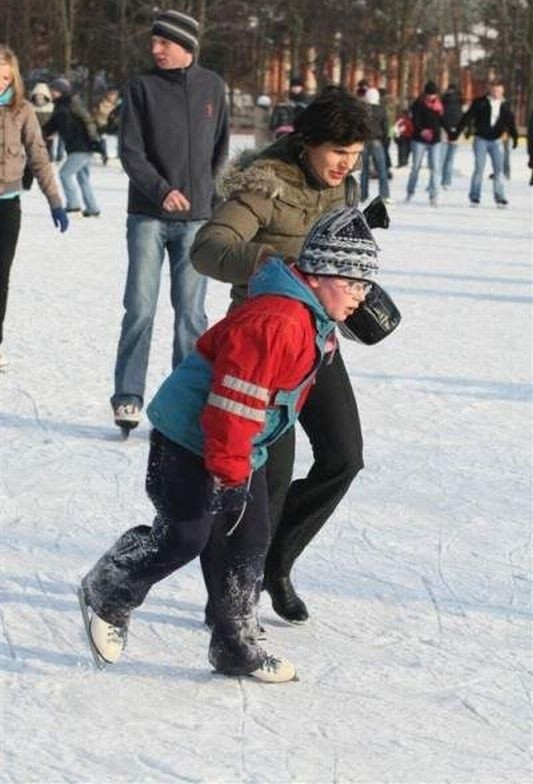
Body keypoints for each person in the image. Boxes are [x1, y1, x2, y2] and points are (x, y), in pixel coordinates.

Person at [78, 205, 380, 682]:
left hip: (238, 447)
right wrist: (232, 473)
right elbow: (231, 408)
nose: (361, 298)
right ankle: (110, 587)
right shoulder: (277, 323)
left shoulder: (312, 318)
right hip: (189, 440)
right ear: (319, 275)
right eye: (353, 284)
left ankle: (235, 646)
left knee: (249, 541)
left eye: (367, 286)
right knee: (185, 535)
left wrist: (339, 320)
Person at [191, 87, 372, 624]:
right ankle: (231, 591)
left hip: (318, 343)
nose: (346, 164)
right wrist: (283, 263)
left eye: (356, 154)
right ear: (309, 141)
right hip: (266, 341)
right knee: (268, 475)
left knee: (344, 457)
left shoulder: (346, 190)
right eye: (338, 151)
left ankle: (275, 563)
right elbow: (208, 248)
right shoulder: (265, 183)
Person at [110, 9, 229, 433]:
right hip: (148, 214)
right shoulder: (140, 87)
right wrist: (161, 189)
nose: (155, 49)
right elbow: (130, 151)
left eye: (164, 42)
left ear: (186, 46)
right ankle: (127, 397)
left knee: (191, 314)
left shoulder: (213, 86)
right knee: (140, 307)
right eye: (154, 41)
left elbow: (220, 148)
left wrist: (209, 197)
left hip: (196, 219)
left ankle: (184, 402)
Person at [0, 45, 69, 370]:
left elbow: (39, 157)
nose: (1, 83)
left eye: (5, 77)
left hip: (7, 207)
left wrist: (55, 201)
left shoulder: (23, 110)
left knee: (0, 277)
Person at [44, 77, 104, 217]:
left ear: (62, 91)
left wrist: (94, 140)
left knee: (65, 174)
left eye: (55, 91)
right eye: (51, 90)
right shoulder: (63, 105)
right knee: (83, 178)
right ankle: (92, 208)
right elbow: (55, 124)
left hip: (81, 147)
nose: (52, 93)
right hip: (81, 147)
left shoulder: (67, 105)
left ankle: (73, 205)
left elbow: (82, 121)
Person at [455, 79, 518, 207]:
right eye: (495, 91)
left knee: (499, 170)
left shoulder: (505, 105)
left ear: (502, 91)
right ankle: (474, 196)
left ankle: (500, 197)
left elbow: (510, 122)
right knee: (479, 168)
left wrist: (515, 137)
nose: (497, 94)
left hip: (496, 141)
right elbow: (468, 117)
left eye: (499, 91)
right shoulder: (480, 102)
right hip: (481, 139)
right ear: (490, 90)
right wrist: (457, 132)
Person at [405, 81, 444, 206]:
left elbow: (442, 121)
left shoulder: (439, 105)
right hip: (419, 139)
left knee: (435, 168)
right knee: (416, 167)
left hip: (435, 140)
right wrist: (422, 130)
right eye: (429, 94)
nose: (431, 97)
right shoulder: (418, 103)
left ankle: (434, 195)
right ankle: (410, 192)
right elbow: (414, 120)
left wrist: (452, 132)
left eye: (433, 94)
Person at [360, 87, 391, 203]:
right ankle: (384, 194)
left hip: (364, 140)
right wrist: (386, 141)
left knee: (364, 169)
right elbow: (385, 127)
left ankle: (363, 194)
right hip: (377, 141)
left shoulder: (363, 109)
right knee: (382, 169)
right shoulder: (381, 110)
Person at [269, 75, 310, 140]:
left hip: (299, 129)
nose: (295, 88)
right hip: (285, 129)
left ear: (301, 87)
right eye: (294, 86)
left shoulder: (305, 99)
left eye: (298, 86)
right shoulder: (286, 97)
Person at [440, 83, 462, 189]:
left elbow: (440, 117)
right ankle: (446, 182)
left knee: (441, 159)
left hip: (444, 131)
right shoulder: (460, 101)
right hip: (456, 132)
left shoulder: (442, 101)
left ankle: (437, 181)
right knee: (450, 159)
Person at [92, 87, 121, 164]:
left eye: (115, 95)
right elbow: (96, 113)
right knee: (103, 140)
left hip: (113, 126)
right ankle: (104, 154)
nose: (113, 97)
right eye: (111, 95)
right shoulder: (101, 103)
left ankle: (119, 153)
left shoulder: (118, 104)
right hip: (102, 124)